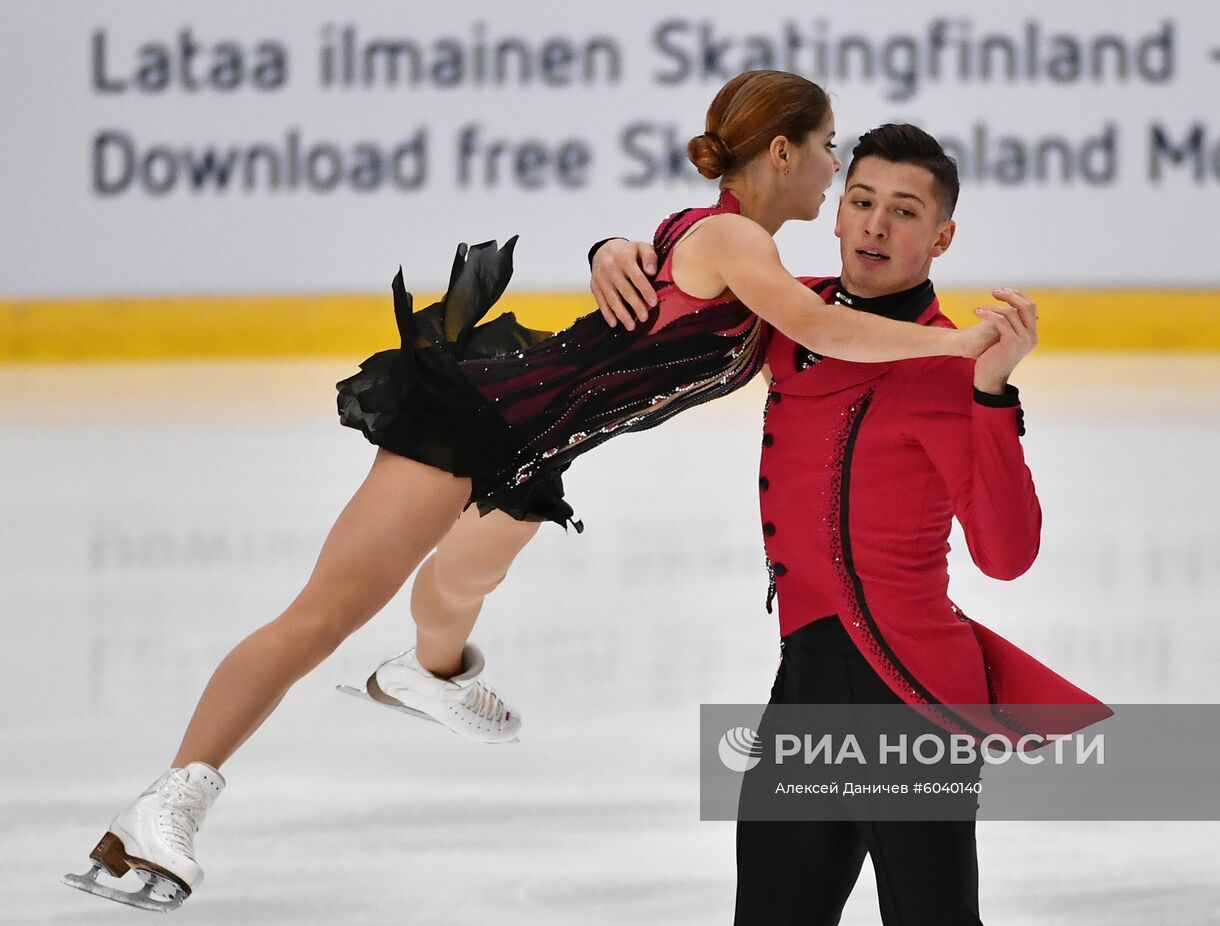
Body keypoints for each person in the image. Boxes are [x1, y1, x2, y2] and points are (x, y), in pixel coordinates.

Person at [62, 73, 1001, 912]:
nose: (837, 170)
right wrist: (956, 342)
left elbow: (811, 312)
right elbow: (818, 326)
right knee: (324, 616)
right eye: (831, 148)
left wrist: (609, 245)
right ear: (784, 152)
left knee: (461, 586)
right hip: (481, 421)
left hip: (539, 450)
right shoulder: (730, 238)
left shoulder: (744, 256)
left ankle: (425, 674)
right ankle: (167, 803)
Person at [591, 123, 1110, 925]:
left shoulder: (947, 366)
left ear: (941, 239)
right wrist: (613, 250)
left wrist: (993, 394)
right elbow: (690, 276)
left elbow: (1007, 556)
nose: (875, 225)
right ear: (835, 213)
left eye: (904, 212)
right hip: (806, 689)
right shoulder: (789, 311)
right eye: (861, 201)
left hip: (912, 698)